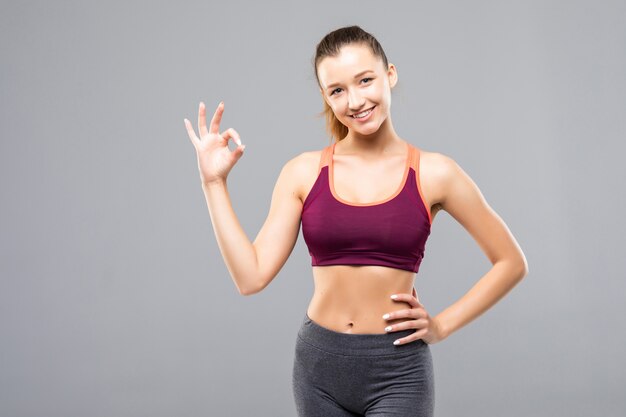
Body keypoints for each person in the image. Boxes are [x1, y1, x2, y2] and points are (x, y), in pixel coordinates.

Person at [184, 25, 528, 417]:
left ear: (390, 75)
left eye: (365, 80)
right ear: (326, 97)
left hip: (397, 370)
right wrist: (214, 183)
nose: (355, 100)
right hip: (319, 368)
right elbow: (251, 277)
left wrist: (441, 326)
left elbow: (511, 262)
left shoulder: (436, 173)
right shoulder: (303, 172)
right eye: (337, 90)